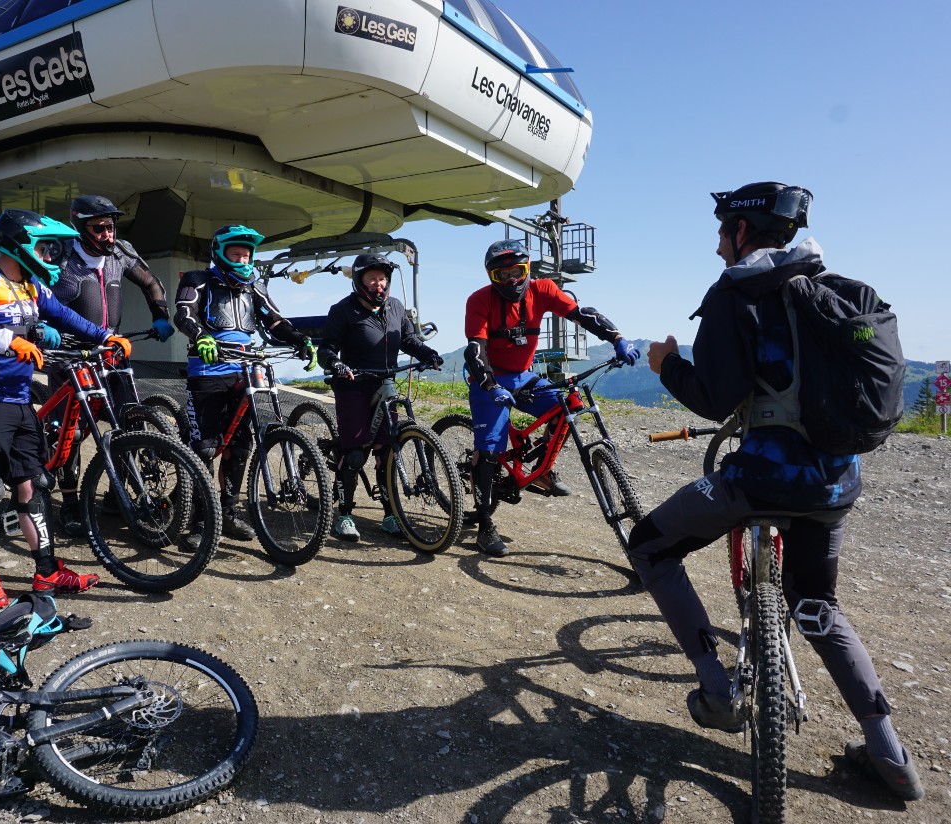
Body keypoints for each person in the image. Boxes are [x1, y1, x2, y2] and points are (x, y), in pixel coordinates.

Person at [632, 182, 924, 801]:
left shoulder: (737, 295)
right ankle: (891, 756)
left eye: (721, 233)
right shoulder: (846, 294)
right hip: (834, 485)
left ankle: (716, 686)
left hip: (757, 479)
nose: (716, 245)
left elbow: (713, 397)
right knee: (817, 606)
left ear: (742, 231)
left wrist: (665, 366)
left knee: (650, 544)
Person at [0, 208, 132, 609]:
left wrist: (107, 336)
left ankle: (47, 569)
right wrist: (6, 341)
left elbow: (66, 315)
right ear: (18, 243)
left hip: (21, 396)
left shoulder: (31, 287)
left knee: (34, 484)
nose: (49, 254)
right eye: (43, 247)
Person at [464, 239, 640, 558]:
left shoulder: (542, 290)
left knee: (566, 407)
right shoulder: (479, 300)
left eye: (517, 272)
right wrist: (491, 387)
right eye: (501, 276)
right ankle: (485, 526)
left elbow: (581, 314)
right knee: (490, 450)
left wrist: (616, 338)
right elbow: (475, 352)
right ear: (491, 277)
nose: (511, 281)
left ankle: (541, 471)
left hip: (522, 374)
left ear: (528, 269)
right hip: (487, 377)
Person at [173, 224, 317, 542]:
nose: (242, 258)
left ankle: (228, 512)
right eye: (236, 253)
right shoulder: (199, 280)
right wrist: (202, 337)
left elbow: (275, 320)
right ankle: (199, 520)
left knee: (239, 447)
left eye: (247, 253)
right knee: (205, 447)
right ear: (220, 253)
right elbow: (184, 315)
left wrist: (300, 339)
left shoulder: (254, 285)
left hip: (245, 372)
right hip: (208, 371)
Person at [48, 194, 175, 536]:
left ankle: (117, 499)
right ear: (81, 227)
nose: (108, 234)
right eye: (100, 228)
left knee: (129, 423)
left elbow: (151, 283)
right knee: (70, 434)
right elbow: (43, 300)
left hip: (112, 352)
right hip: (72, 355)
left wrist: (160, 316)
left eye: (111, 226)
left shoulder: (120, 252)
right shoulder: (62, 259)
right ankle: (71, 502)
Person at [317, 253, 443, 541]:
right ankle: (344, 515)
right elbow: (326, 350)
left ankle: (389, 514)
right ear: (360, 281)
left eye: (383, 279)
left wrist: (429, 354)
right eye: (372, 278)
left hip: (385, 384)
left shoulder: (396, 307)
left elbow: (410, 340)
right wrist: (336, 363)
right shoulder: (343, 310)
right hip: (353, 384)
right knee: (355, 454)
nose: (379, 284)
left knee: (386, 451)